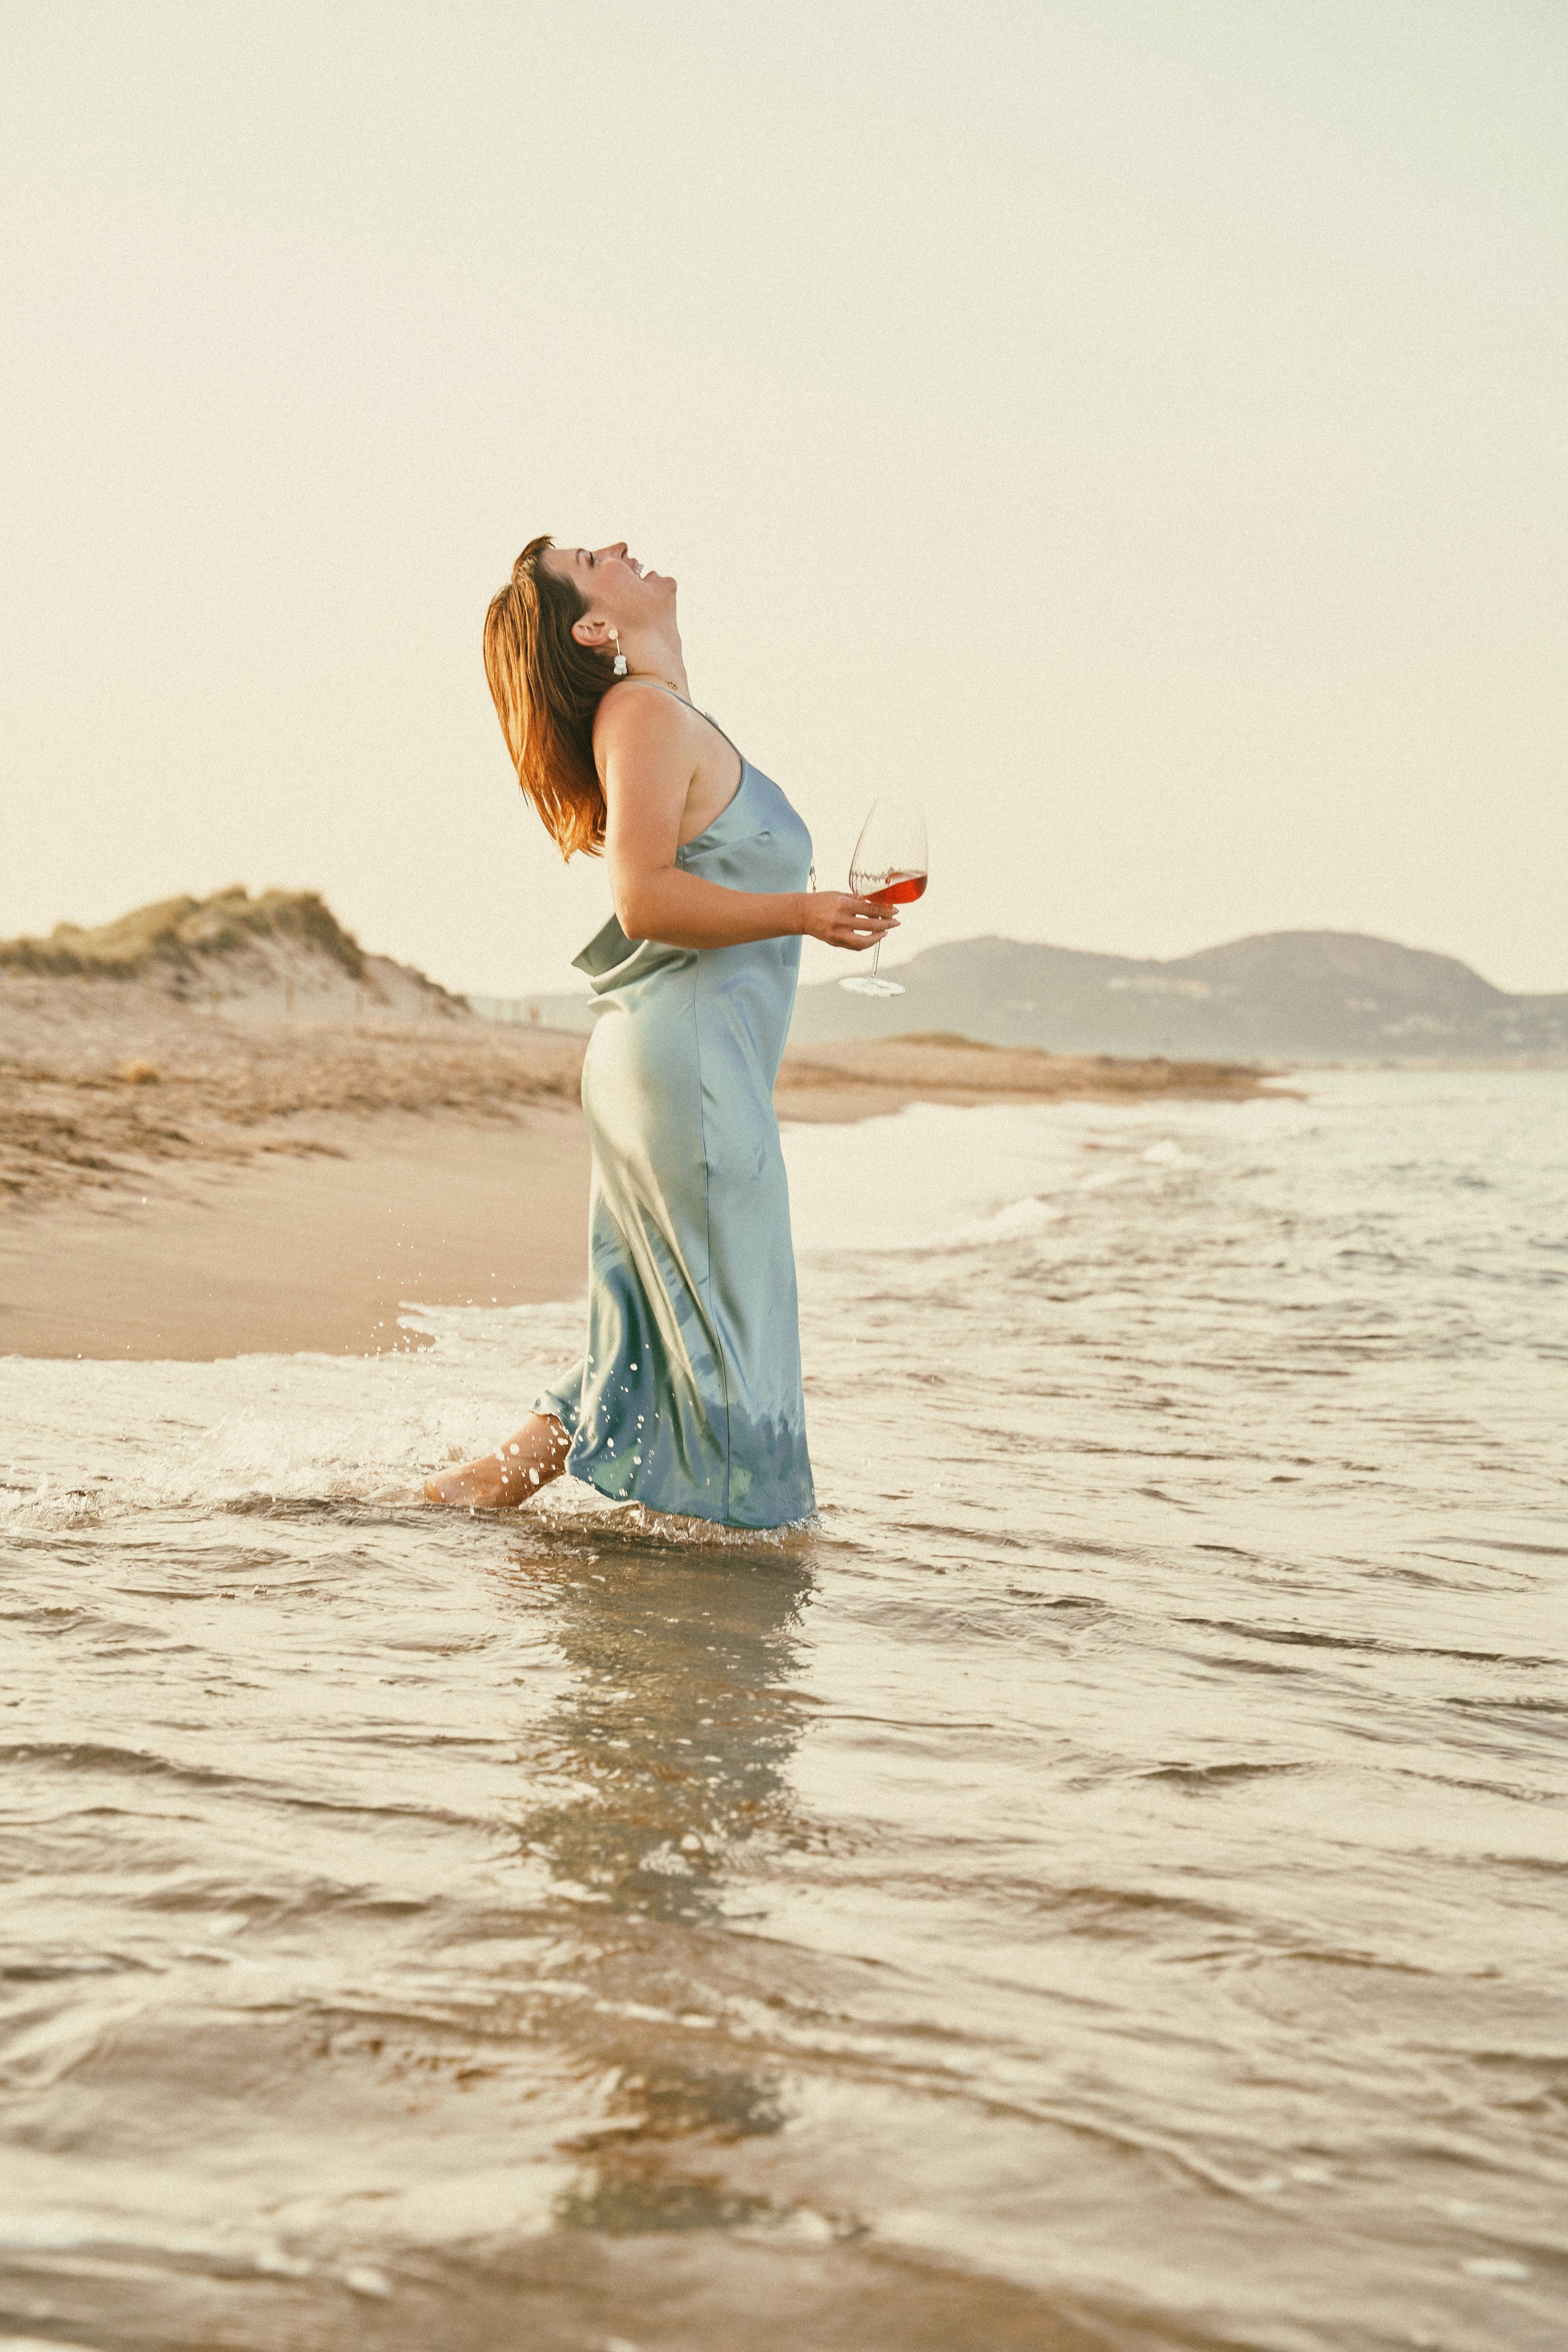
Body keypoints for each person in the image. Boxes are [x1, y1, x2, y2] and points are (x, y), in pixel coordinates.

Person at [423, 538, 897, 1528]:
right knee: (733, 1331)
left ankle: (476, 1492)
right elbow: (642, 898)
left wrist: (810, 913)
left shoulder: (667, 715)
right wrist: (805, 914)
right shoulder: (638, 710)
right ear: (595, 628)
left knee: (644, 1327)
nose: (625, 549)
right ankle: (744, 1580)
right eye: (597, 559)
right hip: (685, 1065)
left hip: (684, 1059)